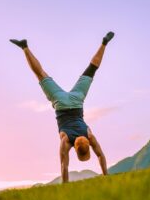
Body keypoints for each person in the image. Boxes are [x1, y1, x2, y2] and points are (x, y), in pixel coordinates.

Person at [10, 32, 114, 183]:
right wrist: (66, 186)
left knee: (91, 70)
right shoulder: (65, 140)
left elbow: (100, 155)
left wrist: (106, 176)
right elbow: (64, 166)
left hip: (77, 100)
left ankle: (104, 43)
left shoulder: (89, 135)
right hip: (61, 102)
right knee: (40, 74)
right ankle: (25, 47)